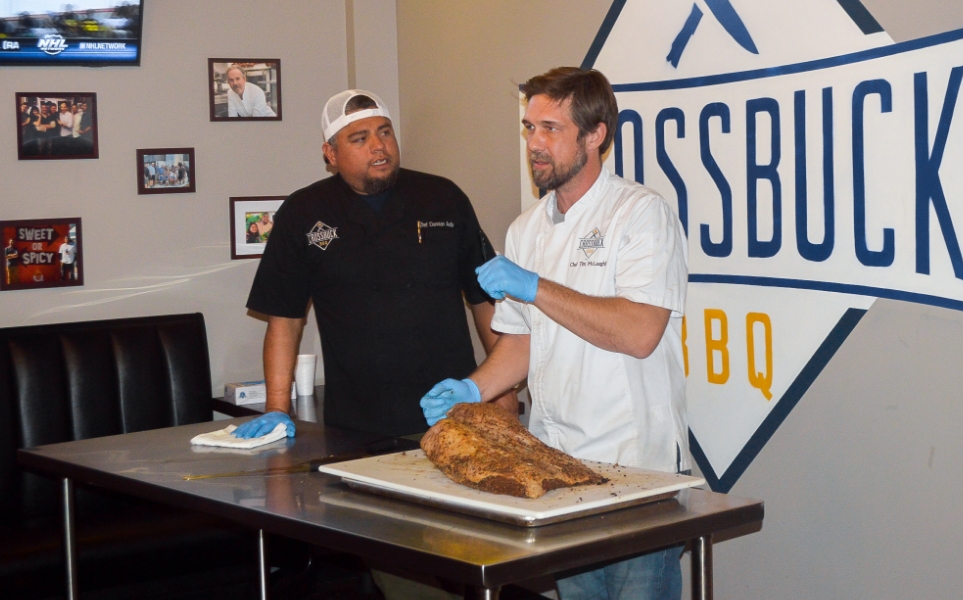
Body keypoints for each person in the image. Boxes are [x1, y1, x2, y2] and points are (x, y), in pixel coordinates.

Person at [420, 67, 690, 600]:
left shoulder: (640, 214)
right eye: (528, 128)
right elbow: (521, 342)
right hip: (556, 469)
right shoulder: (526, 230)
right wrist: (474, 388)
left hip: (636, 471)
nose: (534, 145)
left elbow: (639, 332)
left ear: (595, 136)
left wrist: (535, 286)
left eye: (550, 129)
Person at [236, 88, 515, 440]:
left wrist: (501, 391)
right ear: (331, 154)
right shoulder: (304, 212)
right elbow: (284, 321)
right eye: (360, 138)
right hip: (355, 418)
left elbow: (484, 301)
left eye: (385, 132)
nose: (378, 146)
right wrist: (277, 409)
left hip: (453, 409)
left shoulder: (443, 198)